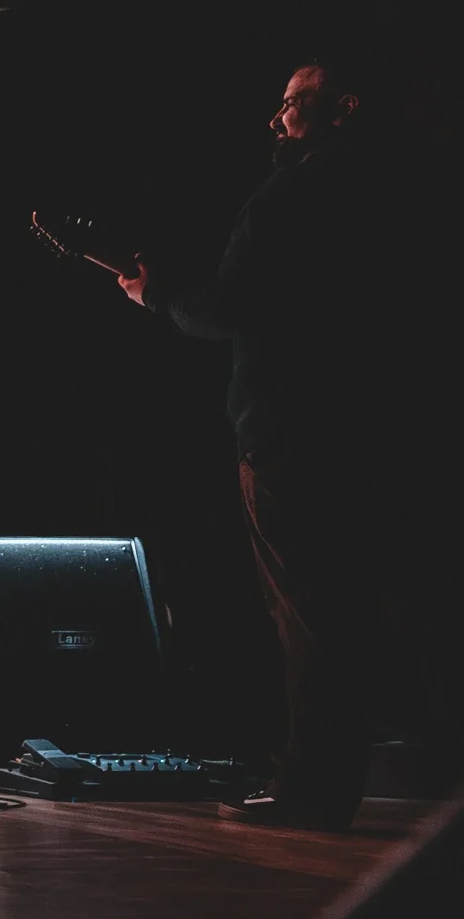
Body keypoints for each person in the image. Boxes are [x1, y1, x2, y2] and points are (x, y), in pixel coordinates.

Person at [116, 58, 439, 828]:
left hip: (292, 435)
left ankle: (311, 796)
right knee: (356, 611)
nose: (278, 118)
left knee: (309, 617)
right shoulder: (399, 194)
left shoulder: (291, 195)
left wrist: (154, 292)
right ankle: (338, 782)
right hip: (377, 433)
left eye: (293, 103)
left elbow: (230, 307)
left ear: (341, 107)